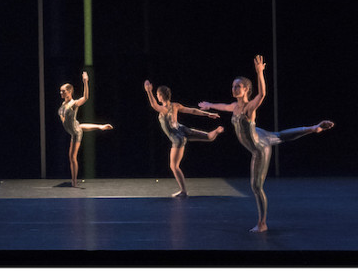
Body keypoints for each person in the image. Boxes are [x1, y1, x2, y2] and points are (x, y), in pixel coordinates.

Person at [199, 55, 334, 232]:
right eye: (233, 86)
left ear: (246, 89)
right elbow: (223, 106)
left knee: (256, 186)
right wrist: (209, 105)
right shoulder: (234, 106)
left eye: (238, 86)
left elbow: (262, 94)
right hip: (258, 134)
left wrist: (260, 73)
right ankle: (313, 128)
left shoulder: (248, 107)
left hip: (258, 147)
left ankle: (262, 223)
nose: (234, 88)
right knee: (278, 135)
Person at [143, 80, 223, 198]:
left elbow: (154, 105)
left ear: (160, 96)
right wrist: (207, 114)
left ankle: (184, 191)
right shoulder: (175, 105)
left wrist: (149, 91)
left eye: (157, 95)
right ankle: (216, 131)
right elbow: (192, 110)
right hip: (182, 129)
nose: (157, 96)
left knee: (174, 166)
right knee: (208, 137)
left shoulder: (164, 109)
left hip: (177, 138)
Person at [59, 71, 113, 188]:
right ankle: (100, 126)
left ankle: (74, 182)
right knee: (78, 127)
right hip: (74, 128)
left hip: (75, 132)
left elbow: (86, 97)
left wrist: (85, 82)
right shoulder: (64, 104)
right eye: (61, 91)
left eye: (63, 91)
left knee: (73, 157)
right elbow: (71, 122)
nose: (61, 93)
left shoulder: (73, 104)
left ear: (69, 92)